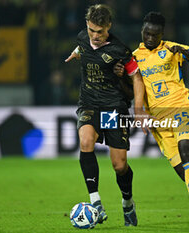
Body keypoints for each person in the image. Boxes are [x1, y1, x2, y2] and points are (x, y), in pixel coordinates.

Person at [114, 12, 189, 229]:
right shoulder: (135, 57)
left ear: (161, 34)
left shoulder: (170, 48)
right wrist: (120, 78)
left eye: (155, 35)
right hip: (159, 121)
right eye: (147, 33)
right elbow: (130, 93)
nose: (150, 38)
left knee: (186, 152)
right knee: (185, 174)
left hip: (181, 108)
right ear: (142, 31)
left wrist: (183, 50)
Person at [65, 4, 147, 227]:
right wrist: (75, 53)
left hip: (113, 107)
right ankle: (96, 202)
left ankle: (127, 202)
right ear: (87, 26)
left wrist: (138, 110)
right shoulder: (83, 37)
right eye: (92, 30)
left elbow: (137, 78)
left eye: (100, 31)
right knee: (86, 141)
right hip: (89, 104)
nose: (95, 36)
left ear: (109, 27)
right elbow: (83, 46)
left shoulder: (120, 50)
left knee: (119, 165)